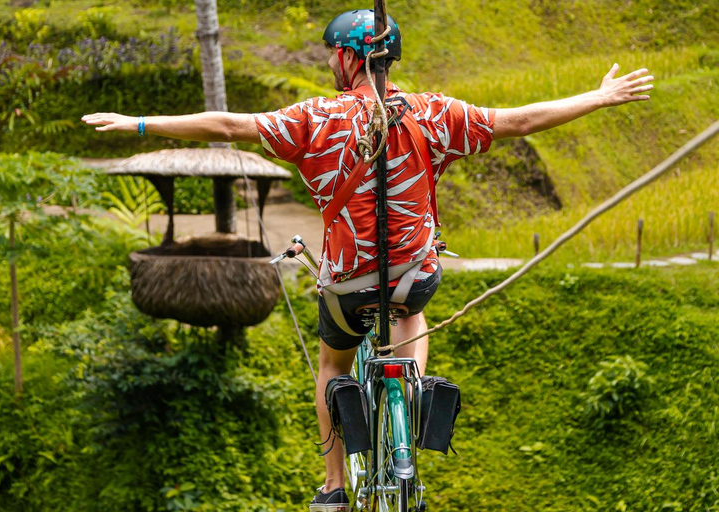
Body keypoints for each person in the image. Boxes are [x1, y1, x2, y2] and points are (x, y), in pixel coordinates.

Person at [82, 9, 654, 511]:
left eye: (336, 52)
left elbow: (231, 126)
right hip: (413, 277)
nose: (332, 61)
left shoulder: (314, 119)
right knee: (411, 311)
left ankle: (333, 487)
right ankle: (414, 386)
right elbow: (521, 120)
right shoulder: (435, 113)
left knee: (333, 366)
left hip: (346, 286)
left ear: (352, 59)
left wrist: (137, 123)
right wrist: (600, 97)